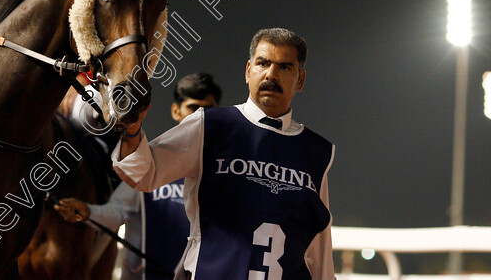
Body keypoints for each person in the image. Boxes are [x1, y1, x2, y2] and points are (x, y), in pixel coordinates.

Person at [113, 29, 335, 280]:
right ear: (248, 70)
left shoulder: (317, 152)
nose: (271, 74)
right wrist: (131, 128)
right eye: (263, 63)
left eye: (285, 67)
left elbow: (320, 249)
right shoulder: (210, 125)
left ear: (301, 80)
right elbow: (142, 172)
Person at [54, 73, 221, 280]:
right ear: (176, 111)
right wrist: (88, 211)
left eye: (209, 110)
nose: (201, 116)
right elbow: (117, 212)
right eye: (194, 108)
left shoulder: (223, 175)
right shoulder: (150, 163)